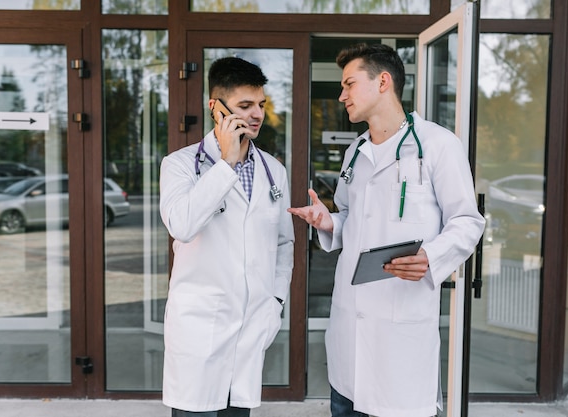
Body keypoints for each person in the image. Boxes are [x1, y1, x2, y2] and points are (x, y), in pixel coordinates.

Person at [288, 43, 485, 417]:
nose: (342, 95)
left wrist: (431, 256)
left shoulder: (438, 146)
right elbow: (352, 221)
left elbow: (467, 221)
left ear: (383, 81)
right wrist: (328, 221)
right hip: (349, 340)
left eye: (349, 84)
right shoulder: (355, 153)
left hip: (401, 345)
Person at [159, 56, 294, 417]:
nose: (256, 115)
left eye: (261, 105)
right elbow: (182, 225)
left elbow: (284, 243)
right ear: (215, 107)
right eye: (244, 106)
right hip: (200, 329)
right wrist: (226, 165)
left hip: (252, 327)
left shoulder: (274, 170)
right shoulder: (181, 165)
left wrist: (276, 301)